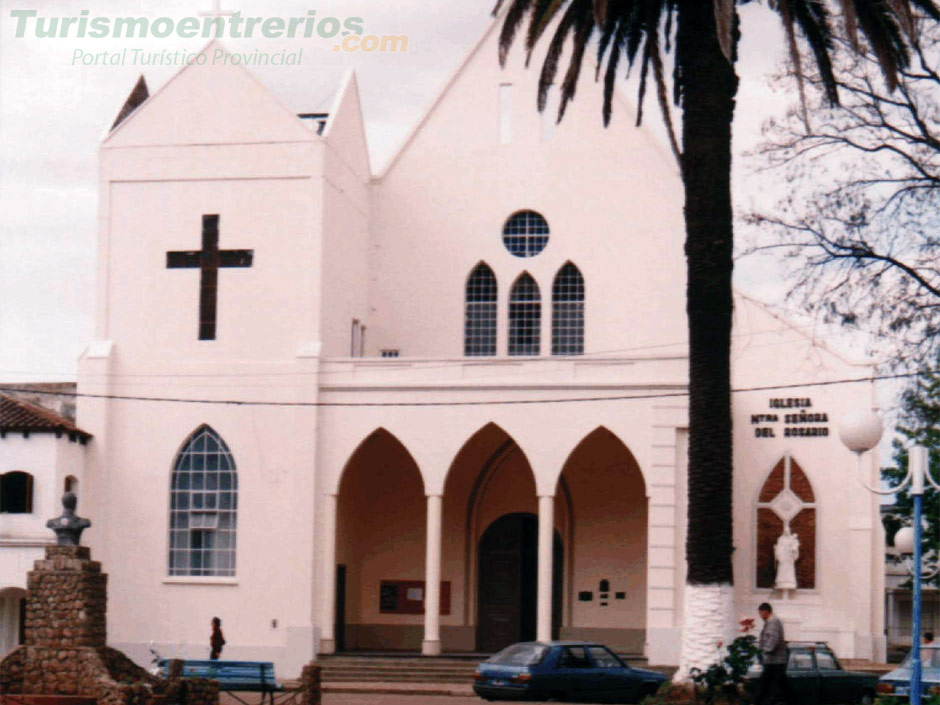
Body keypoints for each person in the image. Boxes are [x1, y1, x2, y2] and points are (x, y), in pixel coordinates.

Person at [755, 602, 789, 705]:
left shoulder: (773, 622)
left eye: (760, 614)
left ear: (765, 611)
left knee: (771, 683)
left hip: (775, 659)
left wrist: (765, 650)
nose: (760, 616)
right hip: (773, 660)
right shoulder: (771, 621)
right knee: (774, 683)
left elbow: (773, 639)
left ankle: (757, 701)